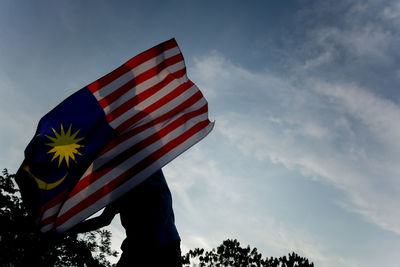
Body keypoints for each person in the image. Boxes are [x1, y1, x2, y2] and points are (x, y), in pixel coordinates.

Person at [70, 169, 182, 266]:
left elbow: (103, 220)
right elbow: (104, 220)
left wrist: (68, 230)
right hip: (145, 248)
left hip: (155, 247)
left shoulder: (146, 171)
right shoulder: (121, 188)